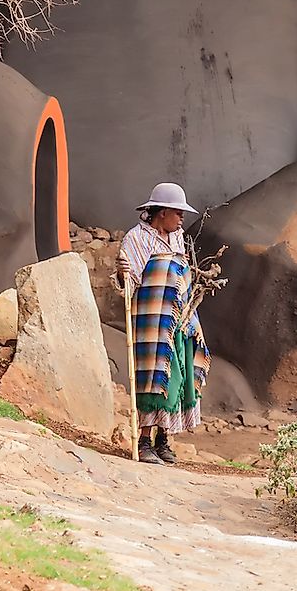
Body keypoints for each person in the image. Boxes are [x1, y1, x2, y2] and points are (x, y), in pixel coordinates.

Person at [114, 182, 211, 465]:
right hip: (152, 322)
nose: (182, 218)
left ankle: (163, 440)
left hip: (177, 319)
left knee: (176, 376)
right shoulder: (136, 239)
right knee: (151, 379)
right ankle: (143, 441)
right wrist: (122, 275)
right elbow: (129, 283)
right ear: (163, 212)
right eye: (178, 213)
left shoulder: (178, 237)